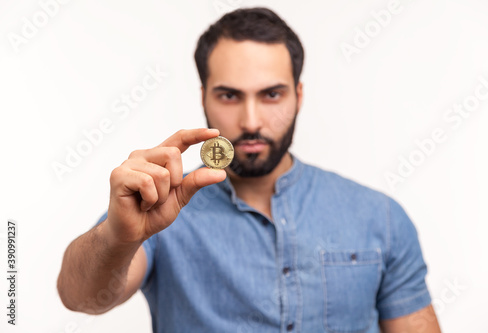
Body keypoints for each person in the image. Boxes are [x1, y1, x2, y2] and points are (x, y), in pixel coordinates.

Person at [57, 7, 441, 333]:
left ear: (298, 96)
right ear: (204, 97)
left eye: (271, 94)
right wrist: (118, 238)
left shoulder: (381, 217)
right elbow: (80, 299)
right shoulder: (157, 207)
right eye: (229, 95)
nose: (251, 120)